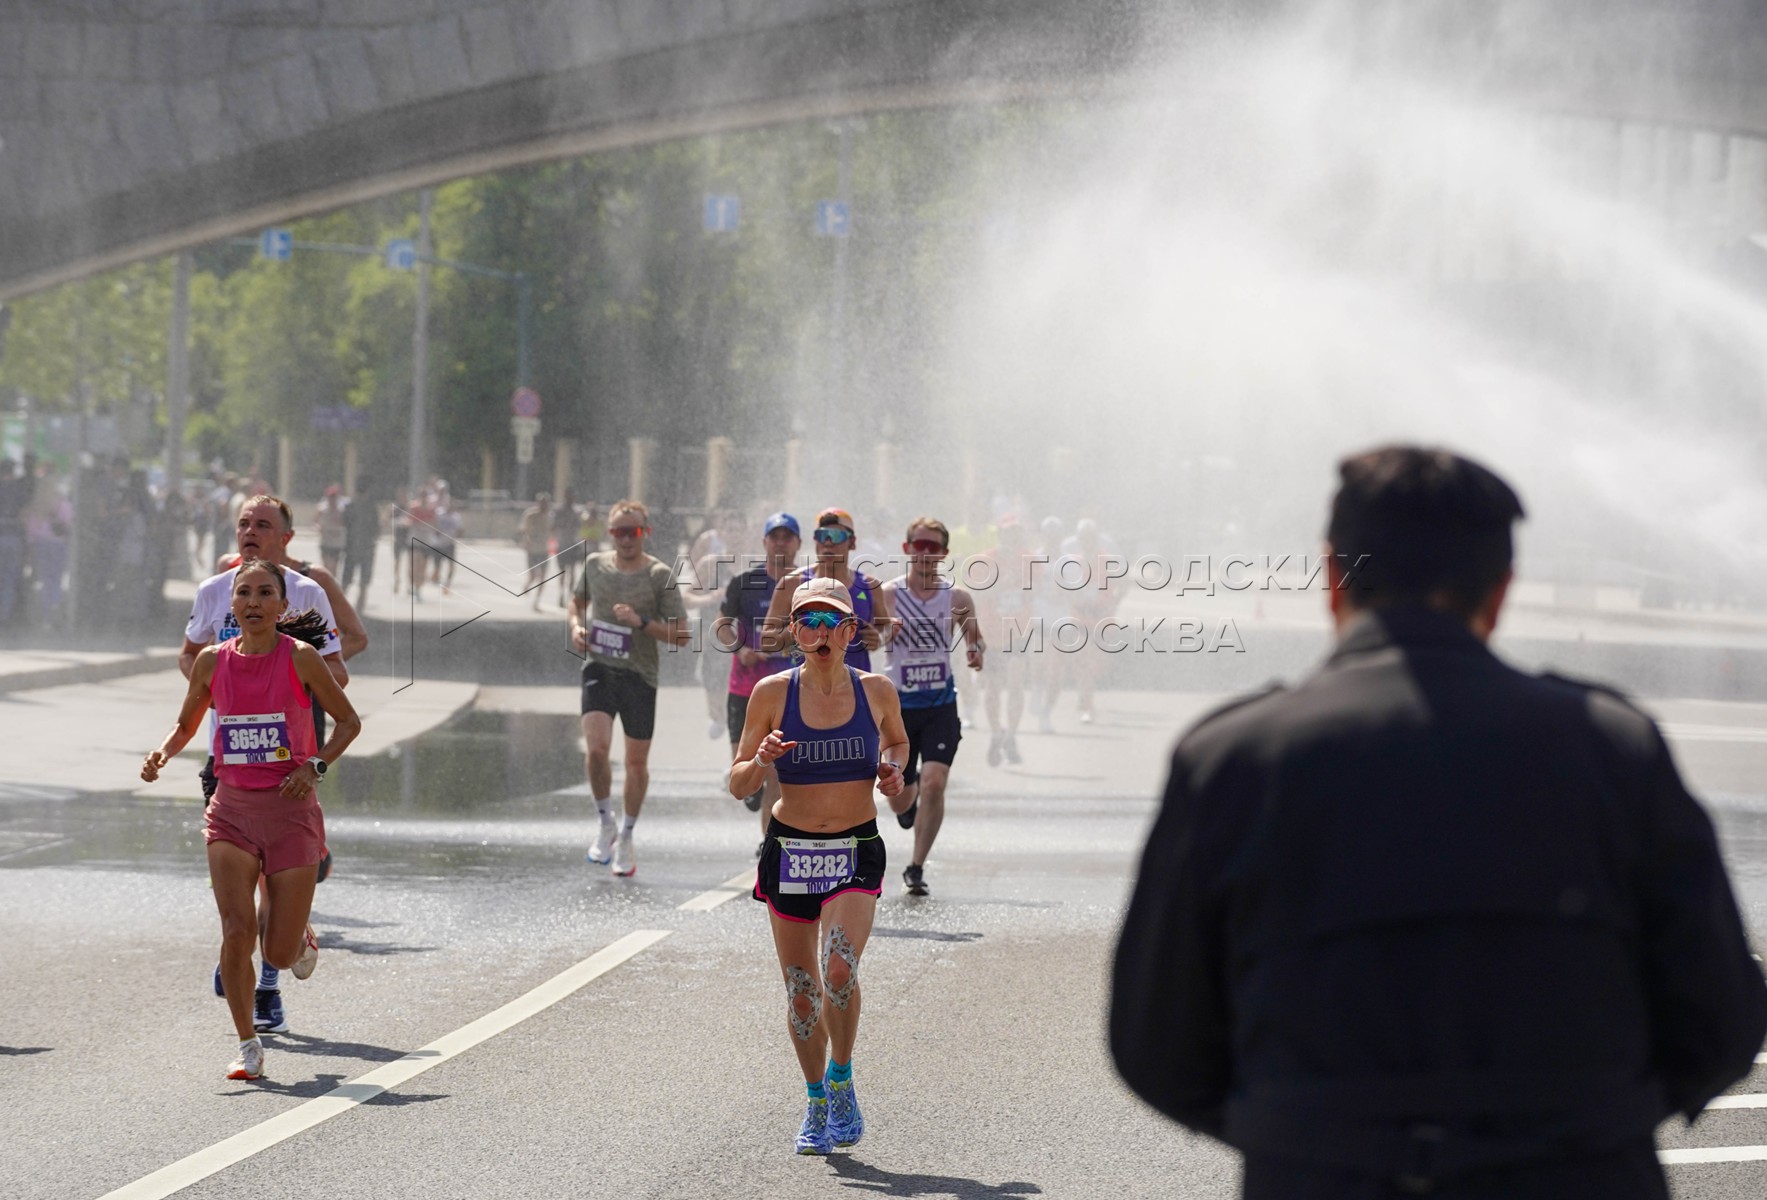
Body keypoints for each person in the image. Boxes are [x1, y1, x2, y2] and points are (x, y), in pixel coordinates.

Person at [1109, 445, 1767, 1199]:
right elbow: (1721, 1015)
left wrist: (1304, 1135)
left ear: (1332, 577)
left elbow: (1155, 1041)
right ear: (1501, 589)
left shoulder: (1231, 759)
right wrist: (1592, 1124)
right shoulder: (1613, 750)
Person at [143, 557, 361, 1080]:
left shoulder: (302, 658)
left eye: (265, 593)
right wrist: (162, 753)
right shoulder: (211, 662)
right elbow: (186, 724)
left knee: (278, 954)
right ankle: (248, 1045)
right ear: (231, 604)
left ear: (283, 605)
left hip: (291, 812)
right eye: (244, 593)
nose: (254, 602)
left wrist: (314, 766)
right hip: (232, 812)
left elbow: (348, 723)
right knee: (236, 931)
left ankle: (298, 936)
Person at [731, 576, 909, 1155]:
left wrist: (892, 769)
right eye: (808, 622)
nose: (821, 632)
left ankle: (841, 1078)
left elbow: (898, 743)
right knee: (804, 994)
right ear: (795, 633)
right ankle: (814, 1101)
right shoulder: (771, 694)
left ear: (851, 631)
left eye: (832, 622)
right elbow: (738, 784)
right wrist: (761, 760)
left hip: (855, 846)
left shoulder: (876, 690)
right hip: (791, 851)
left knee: (838, 970)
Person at [187, 494, 351, 1035]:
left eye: (262, 524)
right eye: (243, 523)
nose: (250, 531)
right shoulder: (215, 589)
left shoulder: (308, 592)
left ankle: (272, 974)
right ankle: (242, 953)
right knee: (242, 876)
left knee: (273, 886)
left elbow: (337, 669)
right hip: (228, 755)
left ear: (285, 537)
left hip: (289, 760)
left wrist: (287, 670)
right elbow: (189, 655)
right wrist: (218, 685)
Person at [568, 499, 690, 876]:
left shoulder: (659, 574)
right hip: (600, 667)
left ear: (645, 532)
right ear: (610, 534)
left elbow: (682, 635)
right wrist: (576, 627)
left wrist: (641, 623)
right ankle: (606, 821)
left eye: (633, 531)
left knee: (636, 764)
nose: (626, 538)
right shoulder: (595, 565)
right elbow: (576, 603)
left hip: (640, 676)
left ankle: (627, 834)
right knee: (597, 749)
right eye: (619, 532)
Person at [879, 517, 984, 896]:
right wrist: (884, 631)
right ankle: (908, 805)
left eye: (933, 547)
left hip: (940, 705)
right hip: (898, 710)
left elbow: (976, 639)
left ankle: (916, 866)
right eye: (919, 545)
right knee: (898, 798)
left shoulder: (957, 599)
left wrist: (975, 652)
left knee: (935, 782)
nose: (925, 553)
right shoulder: (888, 595)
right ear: (907, 549)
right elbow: (869, 639)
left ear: (944, 553)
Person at [713, 512, 802, 857]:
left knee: (776, 774)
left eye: (787, 537)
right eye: (774, 537)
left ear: (798, 544)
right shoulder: (744, 582)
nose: (780, 543)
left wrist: (787, 646)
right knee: (745, 771)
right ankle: (753, 791)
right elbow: (722, 624)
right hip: (744, 688)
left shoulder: (806, 586)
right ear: (764, 542)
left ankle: (769, 844)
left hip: (785, 691)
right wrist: (740, 648)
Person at [760, 508, 893, 671]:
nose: (828, 543)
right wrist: (802, 626)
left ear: (852, 542)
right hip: (807, 684)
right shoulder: (791, 584)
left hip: (855, 682)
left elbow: (887, 627)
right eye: (822, 535)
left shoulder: (870, 586)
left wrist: (878, 638)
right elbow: (766, 642)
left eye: (836, 536)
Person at [970, 515, 1033, 766]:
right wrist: (998, 587)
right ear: (1000, 535)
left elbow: (1036, 593)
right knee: (993, 689)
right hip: (992, 634)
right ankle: (996, 732)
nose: (1013, 538)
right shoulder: (985, 560)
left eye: (1017, 534)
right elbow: (975, 594)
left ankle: (1011, 736)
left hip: (1017, 632)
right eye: (1008, 533)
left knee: (1016, 684)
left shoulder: (1028, 561)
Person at [340, 485, 380, 612]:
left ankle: (344, 602)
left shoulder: (351, 506)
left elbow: (344, 524)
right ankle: (358, 603)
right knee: (359, 577)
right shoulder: (370, 507)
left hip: (355, 546)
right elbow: (376, 528)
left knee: (351, 576)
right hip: (362, 546)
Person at [520, 492, 553, 611]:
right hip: (533, 549)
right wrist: (526, 541)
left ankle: (537, 600)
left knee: (543, 577)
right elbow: (524, 530)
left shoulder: (550, 517)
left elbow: (552, 531)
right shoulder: (530, 515)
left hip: (544, 550)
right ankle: (527, 586)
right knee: (533, 575)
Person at [315, 485, 348, 578]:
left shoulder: (342, 510)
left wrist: (339, 529)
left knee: (334, 566)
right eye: (330, 497)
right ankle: (326, 583)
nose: (332, 499)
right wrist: (318, 527)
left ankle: (332, 583)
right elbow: (315, 521)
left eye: (334, 497)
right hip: (325, 540)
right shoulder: (322, 509)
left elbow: (345, 523)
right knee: (325, 565)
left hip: (336, 542)